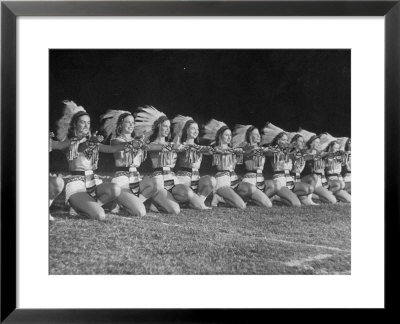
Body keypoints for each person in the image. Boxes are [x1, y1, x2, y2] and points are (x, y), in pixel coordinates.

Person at [52, 100, 143, 221]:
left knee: (115, 189)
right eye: (82, 122)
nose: (86, 126)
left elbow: (112, 149)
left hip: (93, 182)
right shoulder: (70, 142)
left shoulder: (93, 142)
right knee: (99, 215)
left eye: (88, 123)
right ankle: (76, 205)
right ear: (75, 124)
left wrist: (132, 144)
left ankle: (91, 205)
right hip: (77, 185)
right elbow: (72, 147)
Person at [135, 106, 200, 214]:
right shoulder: (152, 144)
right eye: (165, 126)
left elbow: (185, 146)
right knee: (174, 210)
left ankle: (160, 202)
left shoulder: (172, 144)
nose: (167, 129)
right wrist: (171, 147)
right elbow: (148, 146)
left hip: (172, 179)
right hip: (159, 180)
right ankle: (155, 200)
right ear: (158, 127)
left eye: (168, 127)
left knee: (188, 195)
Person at [100, 110, 159, 216]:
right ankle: (124, 201)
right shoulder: (115, 140)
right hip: (122, 181)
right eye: (128, 122)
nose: (131, 125)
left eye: (133, 123)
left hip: (136, 178)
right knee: (140, 212)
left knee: (155, 183)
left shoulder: (138, 141)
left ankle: (131, 203)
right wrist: (137, 142)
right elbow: (124, 144)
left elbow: (150, 146)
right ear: (120, 125)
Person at [171, 115, 216, 209]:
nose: (196, 131)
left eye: (197, 129)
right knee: (197, 203)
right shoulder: (181, 145)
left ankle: (198, 201)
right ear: (186, 130)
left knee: (211, 181)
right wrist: (179, 137)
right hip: (183, 180)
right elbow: (175, 147)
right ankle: (191, 201)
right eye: (193, 129)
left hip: (196, 178)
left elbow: (210, 151)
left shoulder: (199, 147)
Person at [202, 119, 246, 209]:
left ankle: (220, 198)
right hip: (222, 181)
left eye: (230, 135)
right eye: (226, 135)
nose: (229, 137)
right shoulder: (215, 148)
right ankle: (219, 196)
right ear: (220, 136)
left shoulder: (233, 149)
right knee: (241, 205)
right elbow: (213, 151)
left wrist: (240, 151)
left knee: (243, 200)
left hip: (234, 180)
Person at [261, 123, 301, 207]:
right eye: (283, 140)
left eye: (286, 140)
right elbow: (266, 151)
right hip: (280, 180)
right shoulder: (274, 150)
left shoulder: (289, 152)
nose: (285, 142)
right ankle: (276, 195)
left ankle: (277, 197)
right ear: (278, 140)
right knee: (296, 204)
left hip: (290, 179)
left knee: (306, 190)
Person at [231, 124, 272, 207]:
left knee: (267, 204)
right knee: (267, 204)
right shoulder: (246, 148)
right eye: (255, 134)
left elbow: (270, 151)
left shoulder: (261, 149)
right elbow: (248, 152)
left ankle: (250, 198)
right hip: (250, 180)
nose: (259, 136)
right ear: (250, 136)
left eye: (259, 134)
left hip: (260, 179)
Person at [298, 128, 337, 204]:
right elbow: (306, 157)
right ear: (310, 143)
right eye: (316, 142)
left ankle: (313, 195)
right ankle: (308, 198)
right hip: (305, 180)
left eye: (319, 143)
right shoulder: (304, 152)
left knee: (332, 200)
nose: (318, 144)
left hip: (318, 182)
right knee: (314, 177)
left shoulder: (320, 153)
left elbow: (326, 155)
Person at [319, 133, 351, 203]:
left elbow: (344, 161)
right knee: (339, 184)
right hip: (331, 179)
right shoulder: (326, 157)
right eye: (335, 148)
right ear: (331, 148)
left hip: (339, 181)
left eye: (337, 148)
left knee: (349, 200)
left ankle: (336, 196)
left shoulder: (339, 157)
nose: (336, 150)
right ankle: (328, 195)